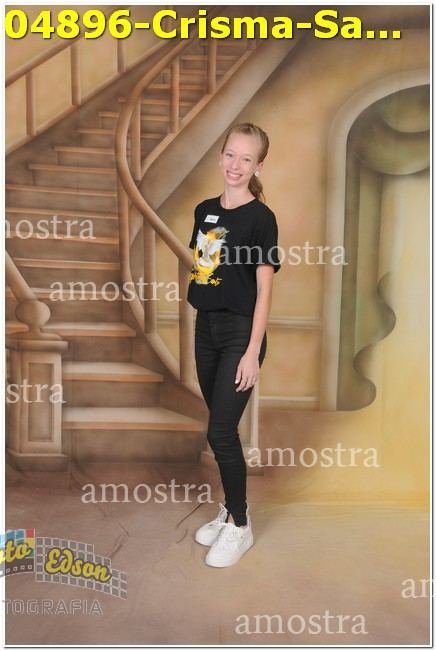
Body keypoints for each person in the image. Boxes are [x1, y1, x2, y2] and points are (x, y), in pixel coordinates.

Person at [187, 122, 281, 567]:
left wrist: (251, 351)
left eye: (246, 158)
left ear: (258, 166)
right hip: (205, 329)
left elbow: (264, 290)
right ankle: (229, 509)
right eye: (230, 154)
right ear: (220, 156)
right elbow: (205, 270)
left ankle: (240, 525)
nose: (236, 165)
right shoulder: (204, 210)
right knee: (223, 427)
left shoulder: (261, 218)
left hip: (241, 334)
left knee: (219, 432)